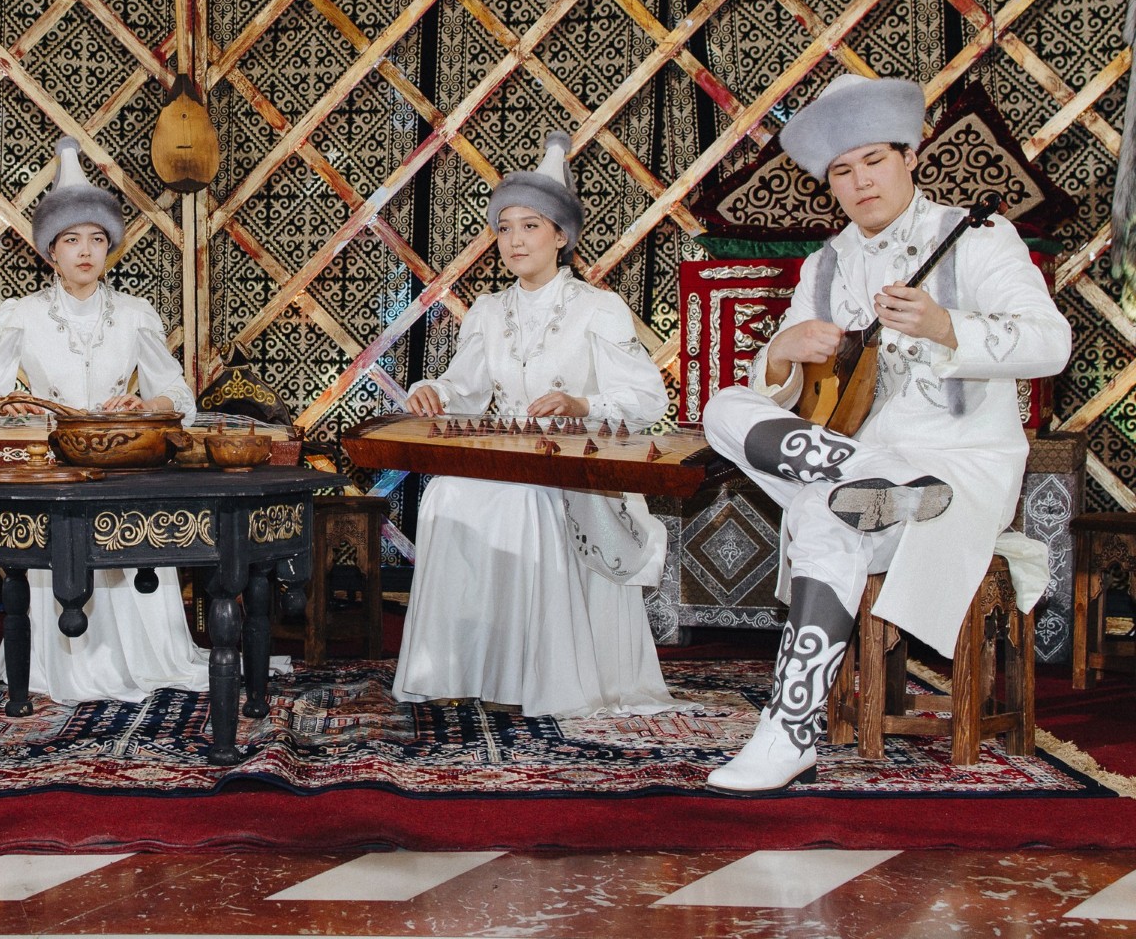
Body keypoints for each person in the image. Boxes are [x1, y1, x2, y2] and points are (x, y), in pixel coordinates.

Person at [701, 74, 1070, 793]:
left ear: (909, 156)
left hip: (956, 469)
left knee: (820, 512)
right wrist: (782, 353)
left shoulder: (977, 237)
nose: (861, 181)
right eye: (843, 171)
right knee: (723, 409)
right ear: (829, 185)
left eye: (874, 160)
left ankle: (787, 732)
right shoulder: (825, 265)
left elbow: (1050, 344)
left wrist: (946, 326)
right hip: (864, 467)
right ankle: (860, 476)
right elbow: (785, 387)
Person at [392, 132, 680, 718]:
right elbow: (465, 388)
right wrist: (433, 391)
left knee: (526, 503)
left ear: (561, 235)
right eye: (504, 228)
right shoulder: (488, 311)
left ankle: (530, 679)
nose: (515, 240)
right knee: (445, 494)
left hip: (576, 468)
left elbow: (647, 400)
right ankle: (455, 669)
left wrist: (581, 404)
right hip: (507, 458)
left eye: (530, 226)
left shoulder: (599, 309)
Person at [0, 136, 210, 704]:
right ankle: (64, 664)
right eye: (71, 240)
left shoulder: (135, 315)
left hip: (122, 461)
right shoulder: (21, 316)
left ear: (110, 247)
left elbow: (177, 396)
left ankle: (147, 656)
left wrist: (145, 406)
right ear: (50, 251)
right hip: (53, 468)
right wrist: (15, 404)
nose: (86, 251)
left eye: (97, 239)